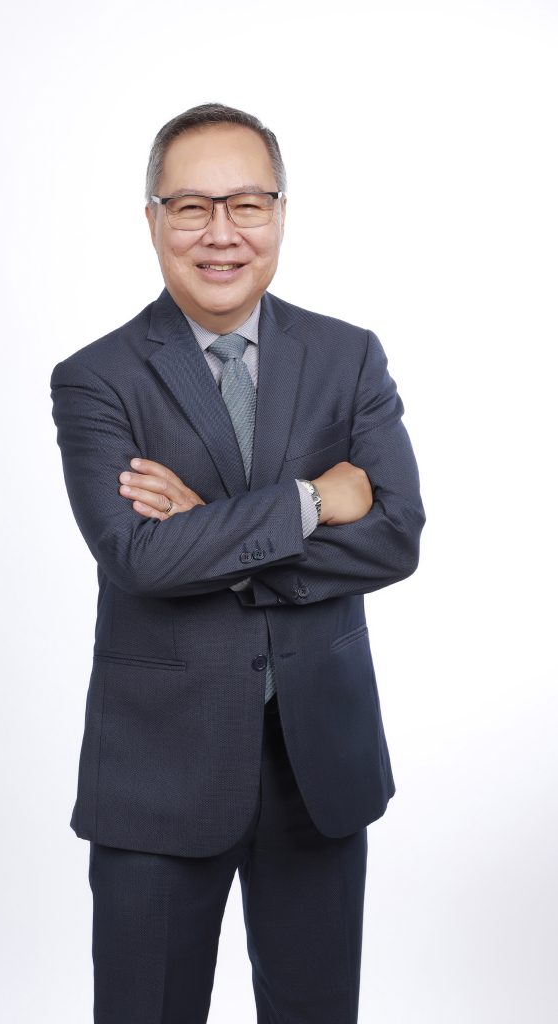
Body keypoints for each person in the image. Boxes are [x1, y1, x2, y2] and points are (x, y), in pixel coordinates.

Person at [50, 101, 425, 1024]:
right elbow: (136, 556)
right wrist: (306, 502)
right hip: (157, 776)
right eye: (191, 207)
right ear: (153, 220)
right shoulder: (97, 378)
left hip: (319, 769)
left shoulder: (347, 357)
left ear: (281, 214)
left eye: (246, 204)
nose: (221, 233)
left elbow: (396, 535)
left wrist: (210, 536)